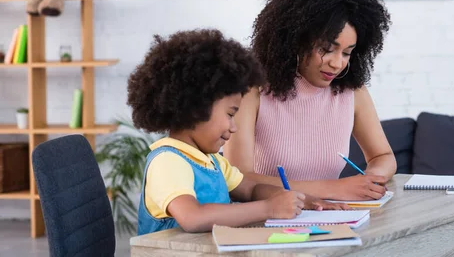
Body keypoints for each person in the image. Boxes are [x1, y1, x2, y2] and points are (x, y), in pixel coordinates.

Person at [126, 28, 332, 238]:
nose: (234, 127)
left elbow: (250, 189)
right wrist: (268, 209)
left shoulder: (213, 162)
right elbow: (193, 218)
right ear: (196, 107)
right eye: (230, 114)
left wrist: (297, 199)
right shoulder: (168, 161)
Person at [223, 0, 397, 201]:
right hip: (266, 222)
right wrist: (333, 189)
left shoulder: (351, 92)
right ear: (295, 40)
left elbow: (383, 156)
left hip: (331, 217)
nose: (338, 64)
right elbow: (238, 179)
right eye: (327, 49)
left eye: (347, 53)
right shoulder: (252, 90)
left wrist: (372, 179)